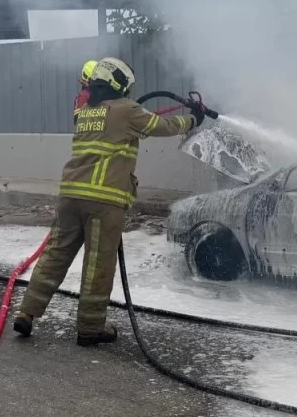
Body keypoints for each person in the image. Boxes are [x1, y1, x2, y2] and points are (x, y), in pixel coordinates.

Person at [15, 57, 202, 346]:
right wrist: (193, 120)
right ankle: (90, 328)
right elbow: (162, 126)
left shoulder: (85, 112)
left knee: (55, 255)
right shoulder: (126, 109)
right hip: (103, 200)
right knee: (98, 265)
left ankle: (26, 312)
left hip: (70, 196)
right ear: (120, 84)